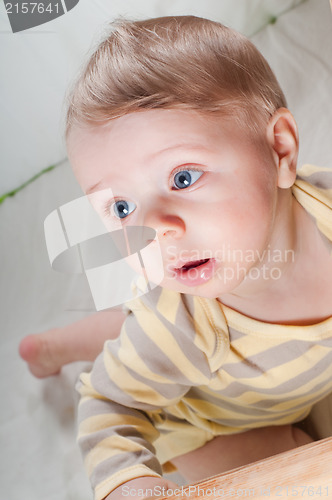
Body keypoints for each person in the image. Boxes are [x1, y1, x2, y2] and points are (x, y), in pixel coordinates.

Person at [19, 15, 332, 500]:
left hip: (289, 373)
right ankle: (59, 348)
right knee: (300, 462)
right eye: (121, 208)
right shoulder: (176, 328)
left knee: (135, 323)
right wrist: (132, 484)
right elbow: (109, 403)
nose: (154, 228)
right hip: (206, 420)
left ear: (279, 150)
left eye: (183, 178)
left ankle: (59, 345)